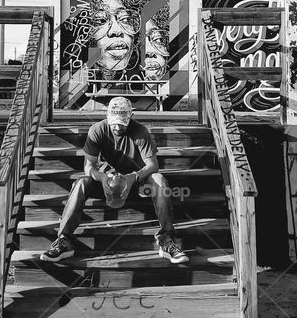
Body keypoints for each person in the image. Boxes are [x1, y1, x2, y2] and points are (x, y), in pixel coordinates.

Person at [41, 96, 189, 264]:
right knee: (81, 182)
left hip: (136, 184)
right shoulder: (97, 130)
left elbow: (153, 165)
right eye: (114, 122)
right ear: (108, 116)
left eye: (122, 122)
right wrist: (103, 177)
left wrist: (133, 177)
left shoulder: (140, 131)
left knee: (159, 180)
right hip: (106, 184)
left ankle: (166, 240)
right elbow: (88, 167)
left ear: (130, 117)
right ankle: (64, 240)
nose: (118, 127)